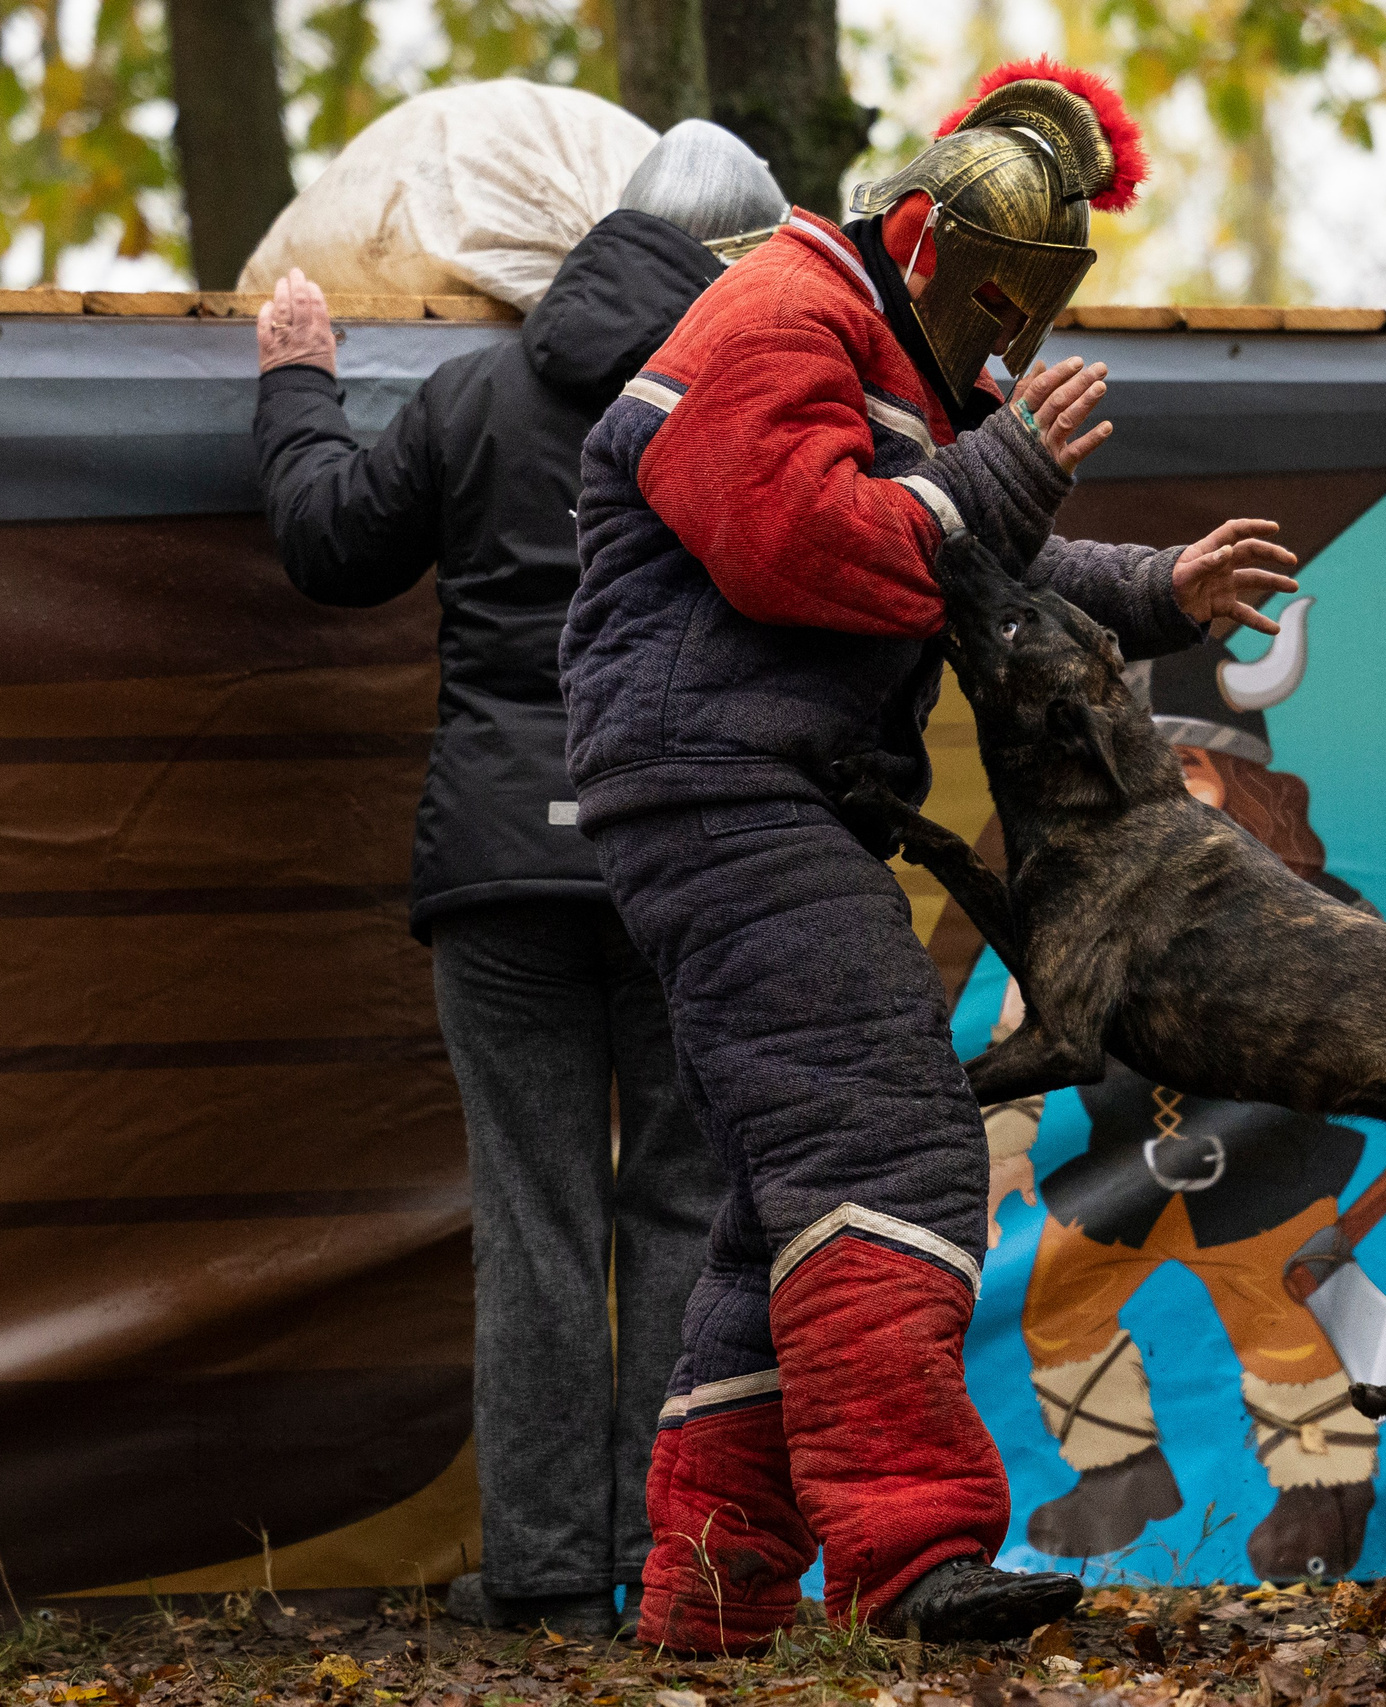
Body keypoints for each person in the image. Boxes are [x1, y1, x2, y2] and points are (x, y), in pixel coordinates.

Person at [558, 58, 1303, 1652]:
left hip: (751, 790)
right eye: (996, 297)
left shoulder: (896, 346)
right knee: (888, 1144)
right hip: (717, 789)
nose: (1007, 343)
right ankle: (913, 1560)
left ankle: (709, 1595)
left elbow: (986, 555)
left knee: (789, 1204)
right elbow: (800, 540)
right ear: (921, 239)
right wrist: (1009, 468)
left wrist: (1163, 583)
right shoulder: (780, 310)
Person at [249, 121, 791, 1641]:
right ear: (746, 263)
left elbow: (329, 544)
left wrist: (298, 378)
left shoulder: (474, 392)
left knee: (535, 1211)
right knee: (687, 1202)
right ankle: (671, 1566)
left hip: (499, 865)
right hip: (687, 856)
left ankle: (546, 1569)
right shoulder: (748, 408)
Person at [984, 623, 1386, 1582]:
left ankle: (1320, 1503)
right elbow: (1023, 1035)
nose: (1171, 791)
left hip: (1266, 1186)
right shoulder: (1075, 911)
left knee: (1291, 1343)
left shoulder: (1322, 910)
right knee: (1056, 1313)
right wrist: (1006, 1146)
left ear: (1241, 782)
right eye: (1146, 768)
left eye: (1191, 766)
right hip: (1116, 1177)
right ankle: (1122, 1479)